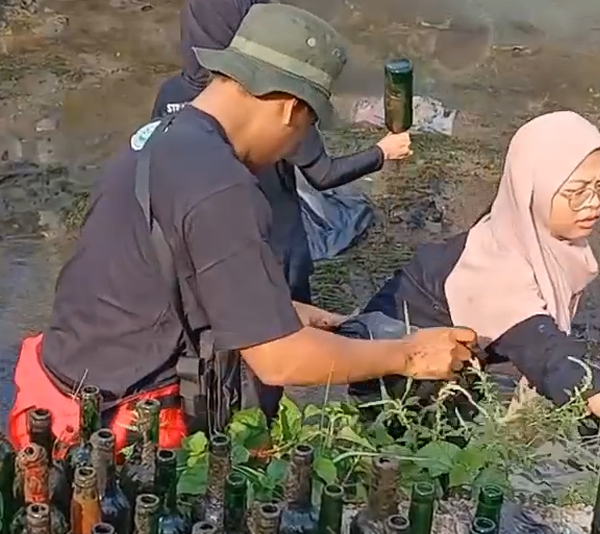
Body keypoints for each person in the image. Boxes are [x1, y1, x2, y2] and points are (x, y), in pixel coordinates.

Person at [8, 3, 476, 454]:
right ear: (291, 110)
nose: (293, 145)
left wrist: (275, 306)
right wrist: (410, 354)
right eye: (306, 127)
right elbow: (279, 360)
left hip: (61, 386)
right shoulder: (224, 185)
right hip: (119, 427)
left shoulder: (157, 138)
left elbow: (149, 270)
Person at [352, 110, 600, 462]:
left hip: (446, 355)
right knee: (437, 455)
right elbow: (552, 359)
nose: (593, 203)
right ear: (531, 189)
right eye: (576, 192)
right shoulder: (496, 272)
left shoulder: (521, 227)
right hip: (390, 373)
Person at [147, 0, 411, 417]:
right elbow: (322, 173)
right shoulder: (264, 112)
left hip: (199, 273)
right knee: (273, 368)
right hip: (278, 246)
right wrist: (408, 356)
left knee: (225, 353)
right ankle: (268, 424)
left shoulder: (174, 102)